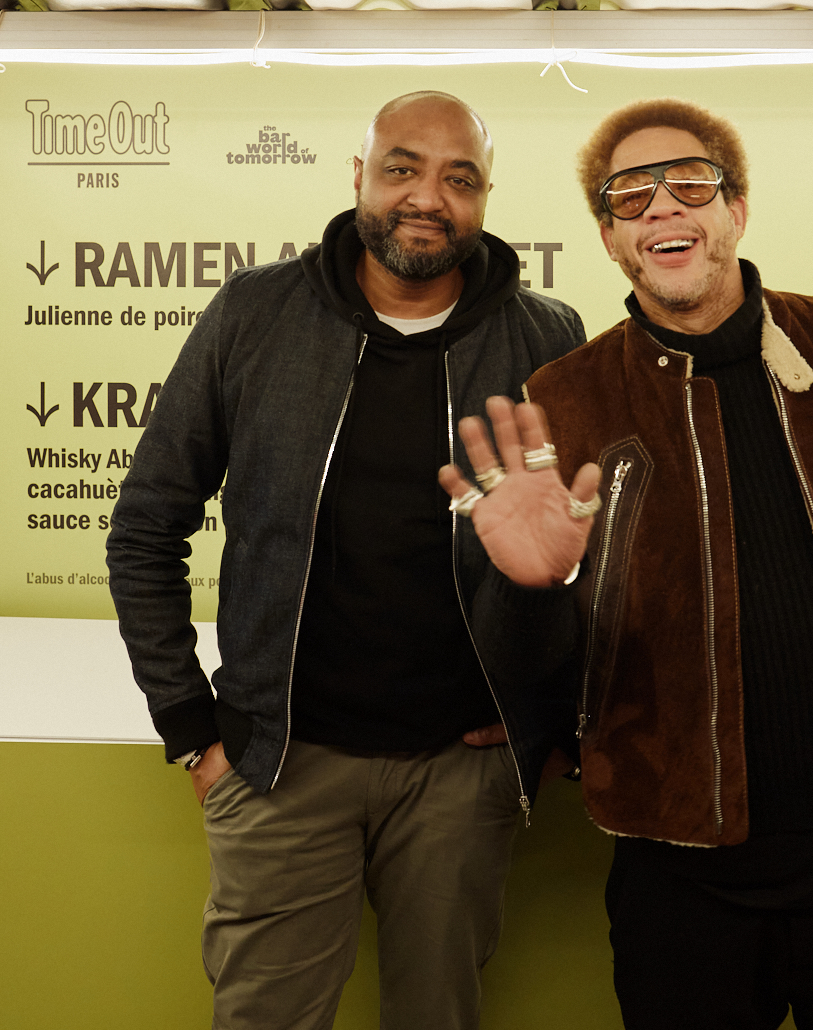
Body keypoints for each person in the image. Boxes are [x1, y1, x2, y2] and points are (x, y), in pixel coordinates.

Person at [439, 98, 813, 1030]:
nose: (662, 205)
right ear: (611, 239)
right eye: (630, 196)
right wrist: (529, 587)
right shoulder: (568, 397)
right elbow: (532, 668)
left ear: (735, 210)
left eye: (690, 183)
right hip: (680, 890)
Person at [107, 90, 585, 1030]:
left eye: (460, 179)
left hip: (460, 774)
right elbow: (146, 526)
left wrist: (549, 713)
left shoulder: (546, 338)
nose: (427, 197)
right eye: (402, 168)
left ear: (486, 198)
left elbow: (583, 555)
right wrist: (192, 729)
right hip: (279, 765)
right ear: (358, 175)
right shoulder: (256, 312)